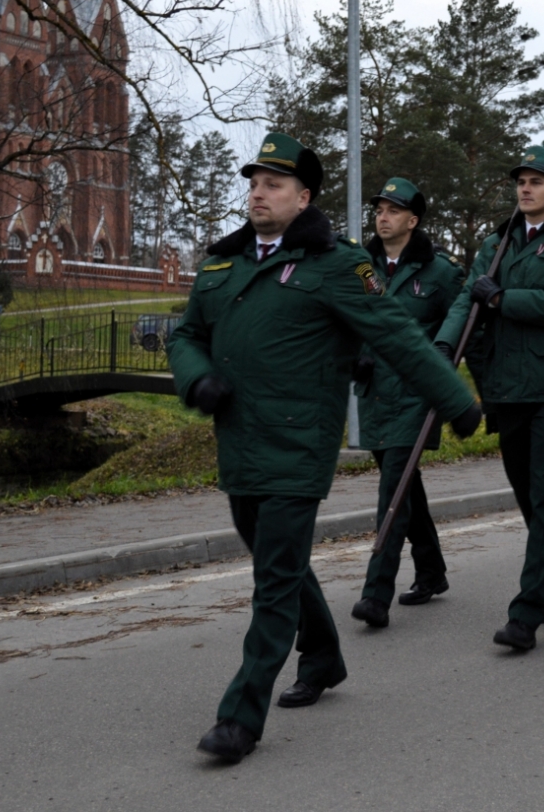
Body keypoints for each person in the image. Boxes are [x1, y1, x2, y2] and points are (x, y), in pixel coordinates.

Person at [170, 132, 482, 764]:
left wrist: (455, 401)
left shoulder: (337, 265)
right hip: (239, 441)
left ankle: (240, 717)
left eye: (274, 184)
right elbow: (186, 332)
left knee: (274, 581)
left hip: (298, 444)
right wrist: (195, 374)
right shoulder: (221, 264)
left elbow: (397, 336)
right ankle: (325, 653)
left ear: (304, 196)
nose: (258, 193)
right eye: (254, 182)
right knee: (277, 563)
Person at [437, 145, 544, 652]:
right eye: (521, 181)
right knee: (529, 496)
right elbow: (469, 294)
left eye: (536, 181)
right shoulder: (499, 241)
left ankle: (527, 612)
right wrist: (444, 345)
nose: (525, 188)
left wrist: (502, 298)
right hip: (506, 386)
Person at [349, 177, 465, 629]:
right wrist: (354, 357)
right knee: (404, 487)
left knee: (392, 492)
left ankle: (376, 594)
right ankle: (432, 571)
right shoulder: (362, 267)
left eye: (393, 210)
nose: (382, 216)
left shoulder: (441, 273)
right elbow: (350, 319)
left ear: (412, 221)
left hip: (417, 396)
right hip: (374, 394)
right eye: (379, 209)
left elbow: (459, 328)